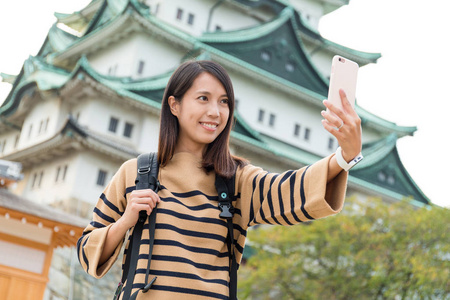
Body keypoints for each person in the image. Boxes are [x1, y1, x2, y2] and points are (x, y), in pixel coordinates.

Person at [77, 60, 362, 299]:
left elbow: (289, 192)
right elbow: (87, 253)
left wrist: (344, 157)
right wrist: (126, 221)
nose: (215, 112)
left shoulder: (236, 180)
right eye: (204, 98)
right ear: (174, 105)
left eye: (224, 102)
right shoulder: (136, 173)